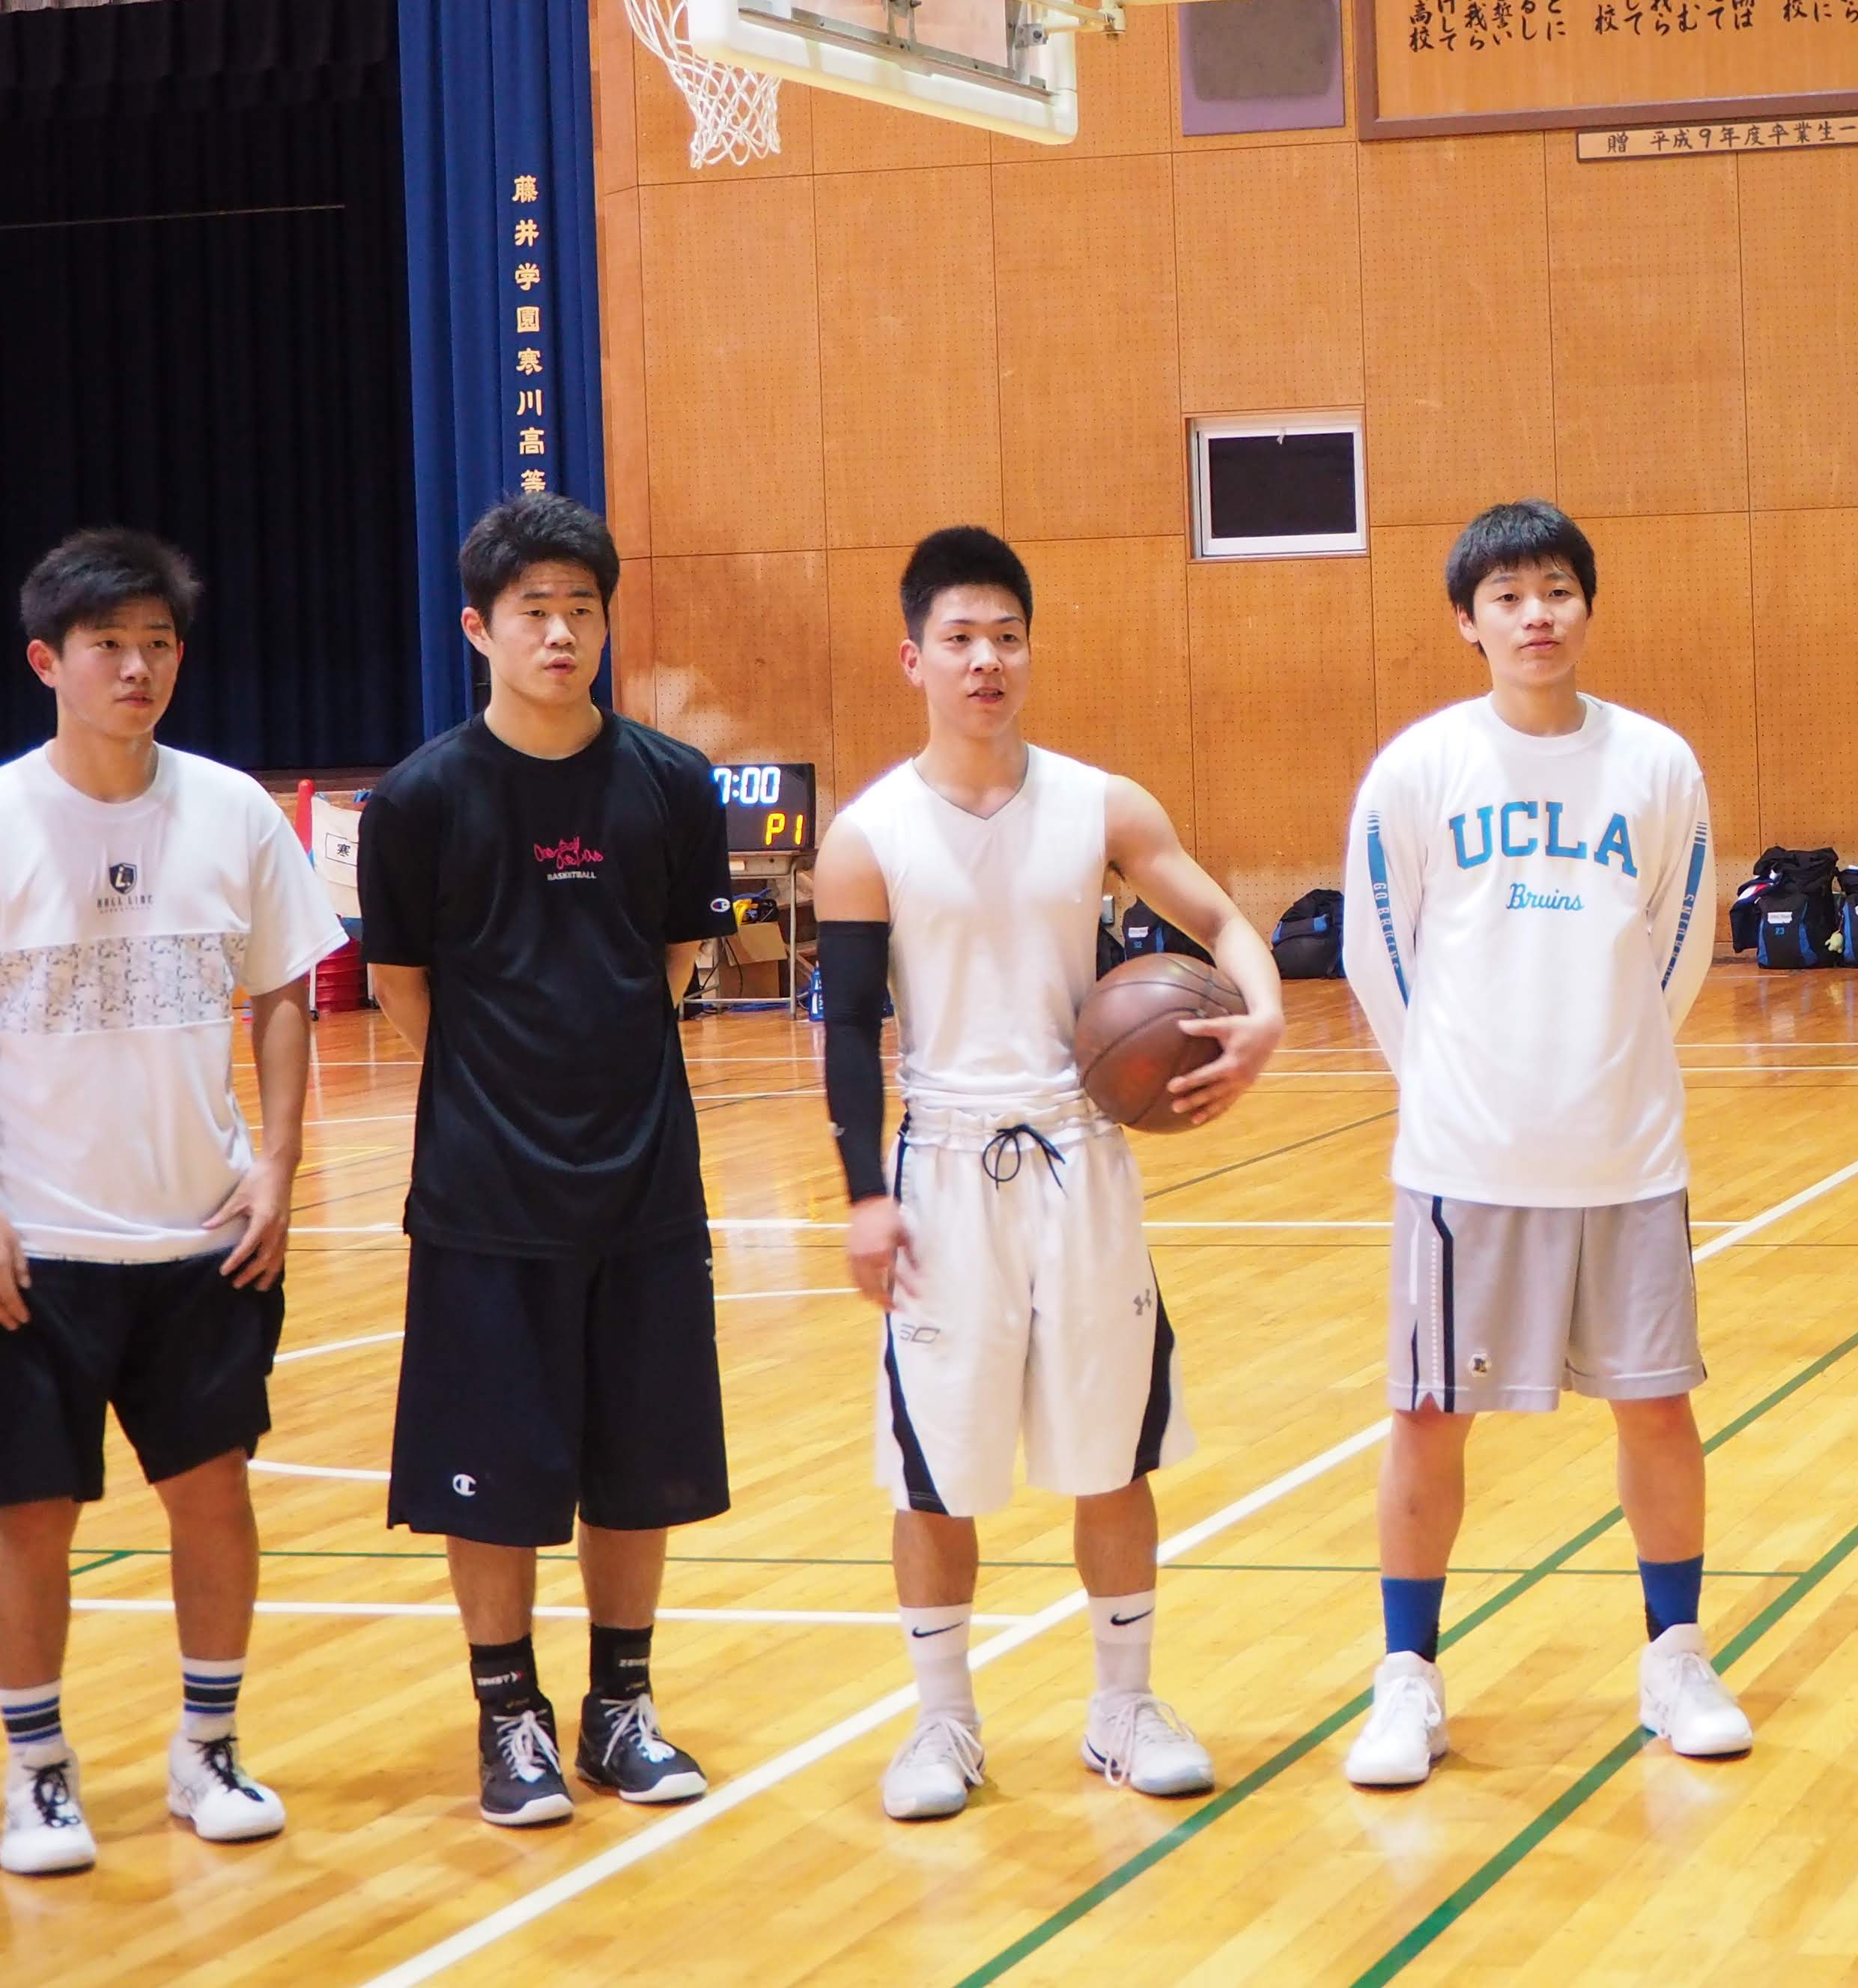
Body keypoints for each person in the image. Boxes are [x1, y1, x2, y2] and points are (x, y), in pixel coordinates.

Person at [813, 526, 1284, 1825]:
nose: (986, 661)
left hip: (1083, 1159)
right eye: (959, 639)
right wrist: (864, 1190)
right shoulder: (866, 836)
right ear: (914, 658)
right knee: (934, 1466)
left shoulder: (1101, 804)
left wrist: (1262, 1017)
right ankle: (942, 1725)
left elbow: (1231, 920)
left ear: (1029, 650)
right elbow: (849, 1027)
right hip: (945, 1166)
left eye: (1006, 636)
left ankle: (1122, 1708)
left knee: (1107, 1453)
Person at [1336, 500, 1742, 1788]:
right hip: (1465, 1162)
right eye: (1507, 596)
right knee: (1427, 1417)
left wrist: (1604, 1062)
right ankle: (1408, 1677)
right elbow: (1376, 951)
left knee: (1657, 1407)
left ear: (1586, 606)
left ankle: (1672, 1655)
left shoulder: (1656, 764)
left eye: (1556, 590)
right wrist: (1461, 1087)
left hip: (1624, 1151)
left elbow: (1679, 945)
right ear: (1468, 620)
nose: (1535, 615)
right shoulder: (1417, 769)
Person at [359, 496, 737, 1829]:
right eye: (533, 610)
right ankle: (506, 1710)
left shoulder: (675, 785)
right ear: (479, 628)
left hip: (642, 1172)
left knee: (641, 1456)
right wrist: (500, 1084)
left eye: (582, 608)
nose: (561, 631)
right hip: (484, 1185)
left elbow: (674, 964)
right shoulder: (419, 800)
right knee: (492, 1460)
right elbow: (401, 984)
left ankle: (618, 1704)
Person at [0, 531, 342, 1873]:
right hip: (40, 1241)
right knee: (30, 1513)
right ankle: (35, 1768)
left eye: (157, 644)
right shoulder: (6, 815)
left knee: (215, 1494)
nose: (136, 666)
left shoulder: (236, 813)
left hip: (203, 1235)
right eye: (106, 645)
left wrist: (279, 1161)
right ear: (49, 662)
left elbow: (281, 994)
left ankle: (207, 1750)